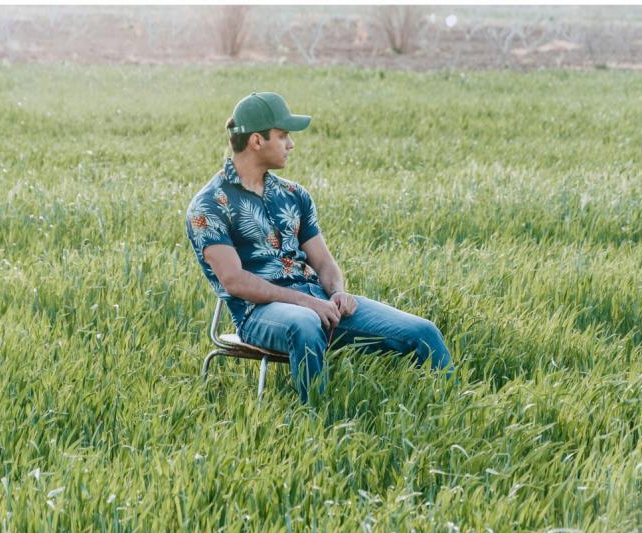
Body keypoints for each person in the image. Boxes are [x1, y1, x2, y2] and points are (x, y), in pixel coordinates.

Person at [186, 92, 455, 403]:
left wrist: (337, 290)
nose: (291, 144)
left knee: (424, 332)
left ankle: (455, 410)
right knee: (305, 323)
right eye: (283, 135)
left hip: (320, 301)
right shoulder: (209, 205)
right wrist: (305, 303)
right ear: (256, 141)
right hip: (258, 313)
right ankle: (318, 423)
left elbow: (323, 262)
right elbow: (234, 281)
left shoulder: (294, 195)